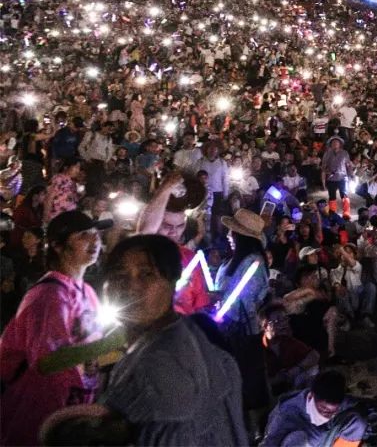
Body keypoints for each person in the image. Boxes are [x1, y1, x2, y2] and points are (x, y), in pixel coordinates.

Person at [75, 234, 246, 445]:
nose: (130, 286)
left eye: (146, 274)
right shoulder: (176, 338)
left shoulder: (162, 364)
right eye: (119, 274)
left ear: (172, 281)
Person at [0, 210, 111, 446]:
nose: (95, 241)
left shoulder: (87, 292)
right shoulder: (49, 295)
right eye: (83, 235)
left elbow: (93, 354)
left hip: (71, 414)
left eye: (96, 234)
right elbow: (48, 362)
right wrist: (114, 344)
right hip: (37, 417)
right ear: (58, 246)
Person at [217, 207, 273, 439]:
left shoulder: (253, 263)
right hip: (230, 327)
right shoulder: (235, 260)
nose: (229, 235)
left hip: (243, 329)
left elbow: (250, 298)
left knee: (248, 377)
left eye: (232, 232)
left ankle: (255, 428)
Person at [135, 172, 211, 315]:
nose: (174, 232)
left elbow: (199, 305)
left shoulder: (189, 258)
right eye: (167, 226)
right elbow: (145, 232)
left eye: (180, 226)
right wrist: (166, 188)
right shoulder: (142, 255)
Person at [264, 370, 368, 447]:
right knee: (297, 439)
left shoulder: (333, 399)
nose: (326, 415)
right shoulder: (285, 415)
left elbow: (351, 402)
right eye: (323, 409)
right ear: (311, 396)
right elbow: (269, 443)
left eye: (332, 411)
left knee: (357, 422)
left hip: (322, 435)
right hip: (304, 442)